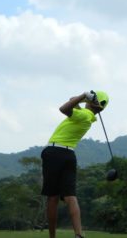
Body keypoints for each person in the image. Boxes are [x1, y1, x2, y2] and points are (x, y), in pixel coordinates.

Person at [41, 90, 109, 238]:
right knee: (70, 196)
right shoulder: (87, 117)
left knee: (52, 197)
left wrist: (84, 95)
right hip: (69, 155)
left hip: (54, 152)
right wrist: (84, 97)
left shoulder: (83, 115)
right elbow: (72, 99)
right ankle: (79, 235)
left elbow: (63, 108)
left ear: (91, 103)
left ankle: (52, 237)